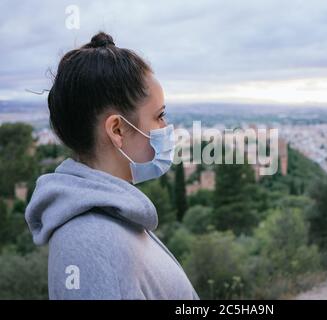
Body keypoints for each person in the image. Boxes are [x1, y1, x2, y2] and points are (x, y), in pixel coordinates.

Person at [25, 32, 199, 300]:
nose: (166, 128)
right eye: (159, 115)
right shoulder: (89, 246)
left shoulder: (109, 221)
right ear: (117, 129)